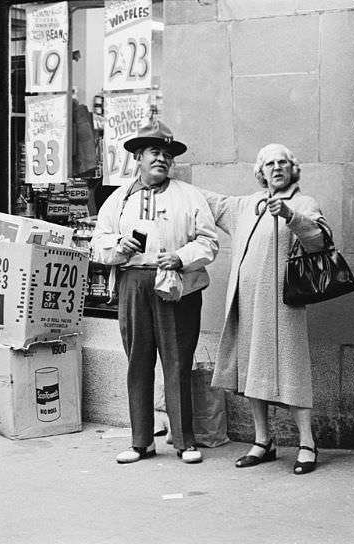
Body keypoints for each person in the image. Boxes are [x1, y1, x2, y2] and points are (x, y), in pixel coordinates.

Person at [91, 120, 219, 464]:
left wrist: (181, 256)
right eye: (154, 153)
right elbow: (98, 246)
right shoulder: (118, 200)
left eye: (166, 154)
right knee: (138, 361)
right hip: (134, 283)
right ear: (137, 157)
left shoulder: (188, 196)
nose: (161, 159)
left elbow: (210, 242)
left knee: (177, 362)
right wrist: (121, 246)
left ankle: (184, 441)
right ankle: (141, 442)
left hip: (177, 285)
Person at [202, 143, 327, 475]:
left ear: (292, 169)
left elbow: (318, 241)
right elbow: (209, 201)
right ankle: (263, 441)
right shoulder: (247, 204)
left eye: (282, 162)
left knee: (292, 370)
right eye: (269, 163)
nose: (276, 167)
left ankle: (306, 443)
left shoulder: (304, 203)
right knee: (251, 371)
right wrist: (170, 182)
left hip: (283, 306)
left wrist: (289, 215)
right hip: (248, 302)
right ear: (260, 172)